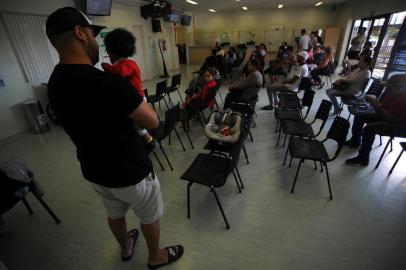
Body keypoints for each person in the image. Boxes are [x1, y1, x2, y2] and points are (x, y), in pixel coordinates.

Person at [45, 7, 183, 269]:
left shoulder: (54, 82)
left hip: (94, 169)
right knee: (149, 215)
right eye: (93, 33)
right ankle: (156, 256)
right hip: (130, 169)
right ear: (80, 33)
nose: (97, 42)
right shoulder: (108, 82)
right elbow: (152, 120)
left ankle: (126, 246)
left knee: (114, 212)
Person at [101, 28, 157, 151]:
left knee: (136, 125)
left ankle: (150, 140)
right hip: (137, 96)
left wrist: (105, 66)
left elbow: (119, 72)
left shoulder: (125, 64)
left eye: (108, 52)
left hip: (138, 97)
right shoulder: (128, 62)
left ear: (114, 53)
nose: (108, 55)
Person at [345, 74, 406, 166]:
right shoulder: (390, 91)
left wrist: (378, 107)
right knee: (360, 116)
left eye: (390, 88)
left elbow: (393, 119)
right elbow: (381, 104)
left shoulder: (403, 98)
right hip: (388, 115)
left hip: (401, 126)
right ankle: (355, 141)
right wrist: (372, 101)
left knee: (369, 129)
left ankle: (363, 158)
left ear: (400, 88)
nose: (387, 89)